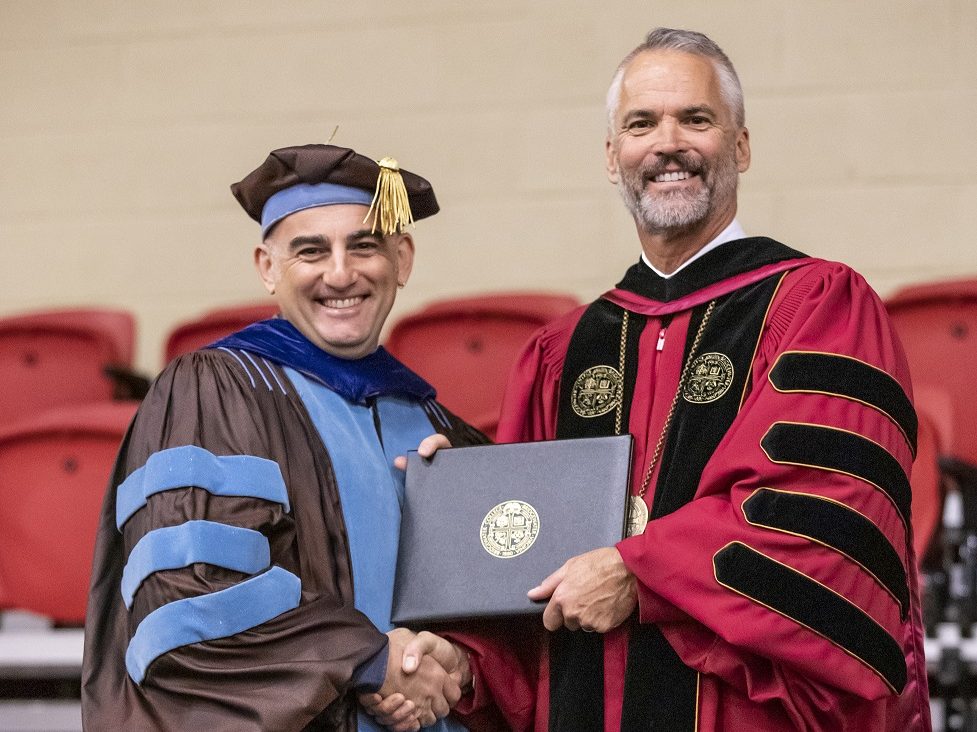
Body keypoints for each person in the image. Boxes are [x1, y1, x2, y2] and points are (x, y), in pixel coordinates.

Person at [372, 27, 932, 731]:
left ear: (741, 146)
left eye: (694, 119)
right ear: (613, 157)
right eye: (641, 124)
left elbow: (820, 511)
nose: (667, 143)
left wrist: (642, 575)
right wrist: (461, 656)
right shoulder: (562, 350)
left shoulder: (816, 307)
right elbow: (524, 569)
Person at [81, 143, 484, 731]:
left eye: (364, 245)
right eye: (310, 251)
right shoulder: (215, 390)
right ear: (267, 268)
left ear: (403, 259)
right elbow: (188, 596)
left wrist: (458, 665)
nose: (340, 273)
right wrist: (370, 662)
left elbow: (504, 619)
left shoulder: (443, 430)